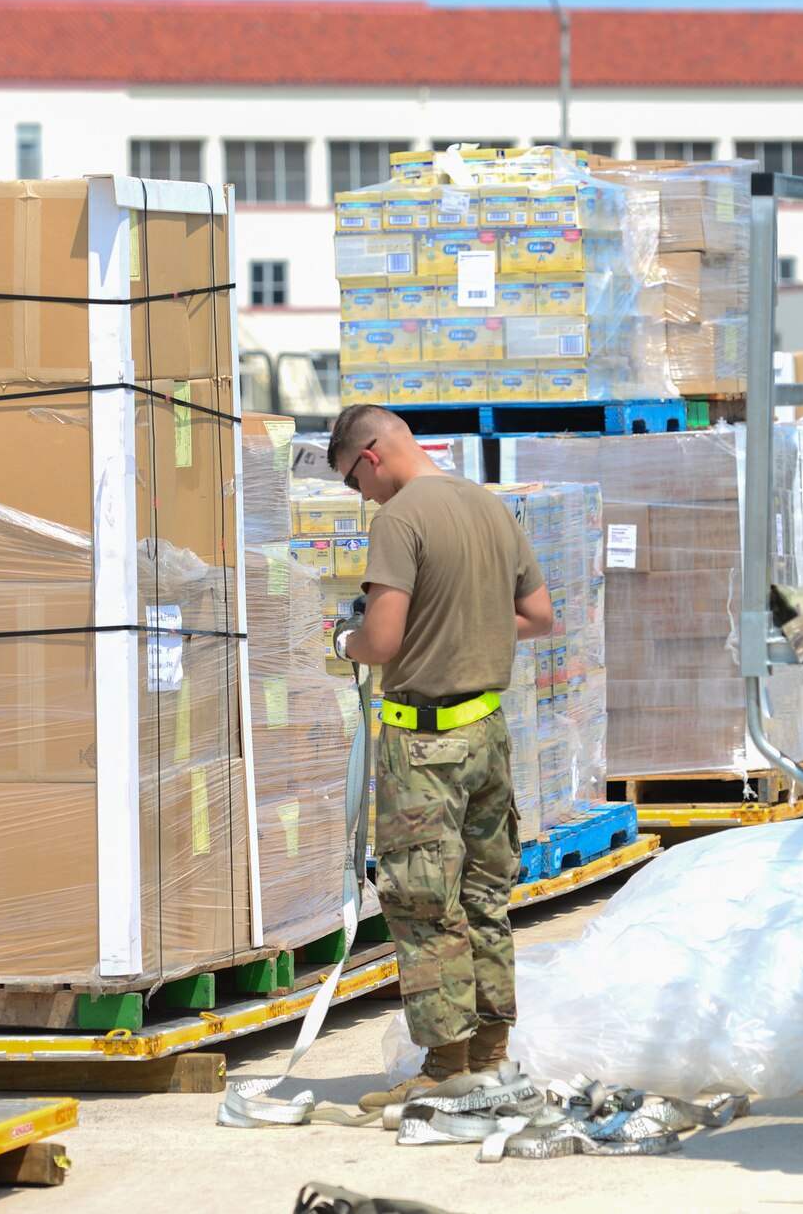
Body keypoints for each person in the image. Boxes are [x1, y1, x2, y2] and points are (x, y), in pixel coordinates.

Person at [326, 405, 554, 1109]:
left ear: (370, 454)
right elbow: (539, 616)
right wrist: (466, 622)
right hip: (487, 732)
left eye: (352, 481)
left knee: (425, 903)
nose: (361, 497)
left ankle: (445, 1066)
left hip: (425, 747)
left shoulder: (398, 520)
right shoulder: (486, 505)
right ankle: (491, 1056)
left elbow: (384, 641)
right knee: (485, 898)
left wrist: (343, 642)